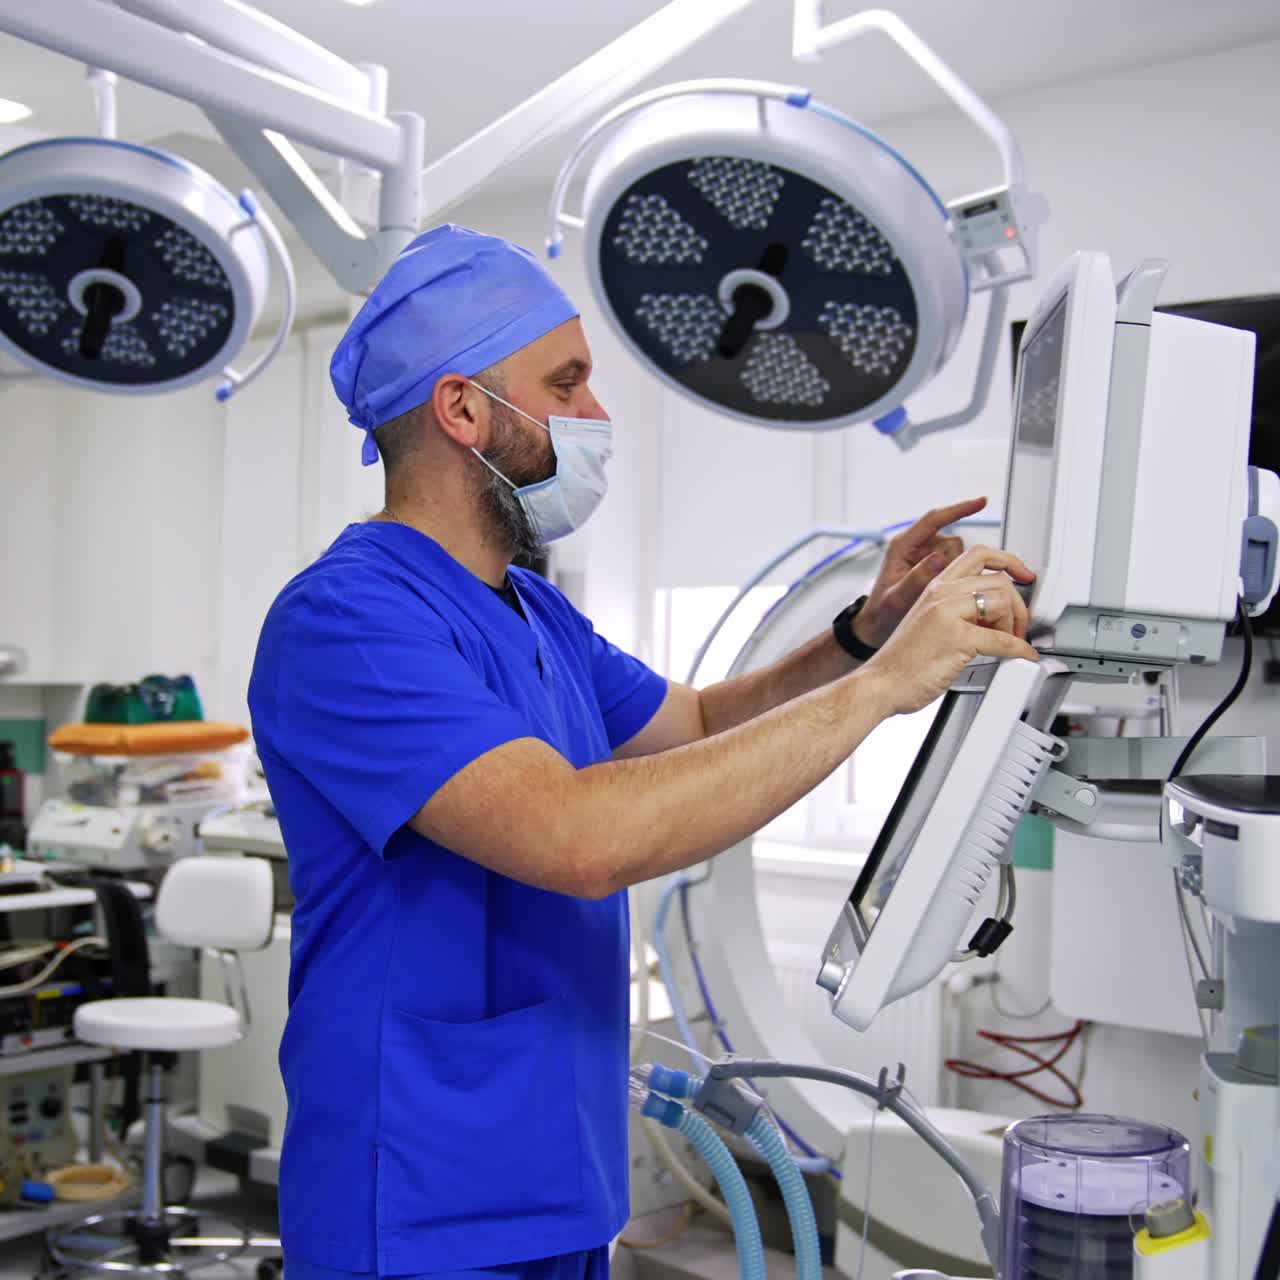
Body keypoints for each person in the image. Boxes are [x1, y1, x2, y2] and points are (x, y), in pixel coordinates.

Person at [248, 224, 1037, 1280]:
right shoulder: (346, 620)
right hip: (419, 1196)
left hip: (554, 1177)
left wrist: (862, 636)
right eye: (567, 383)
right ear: (462, 409)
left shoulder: (533, 608)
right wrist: (884, 688)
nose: (597, 416)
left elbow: (703, 722)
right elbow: (574, 836)